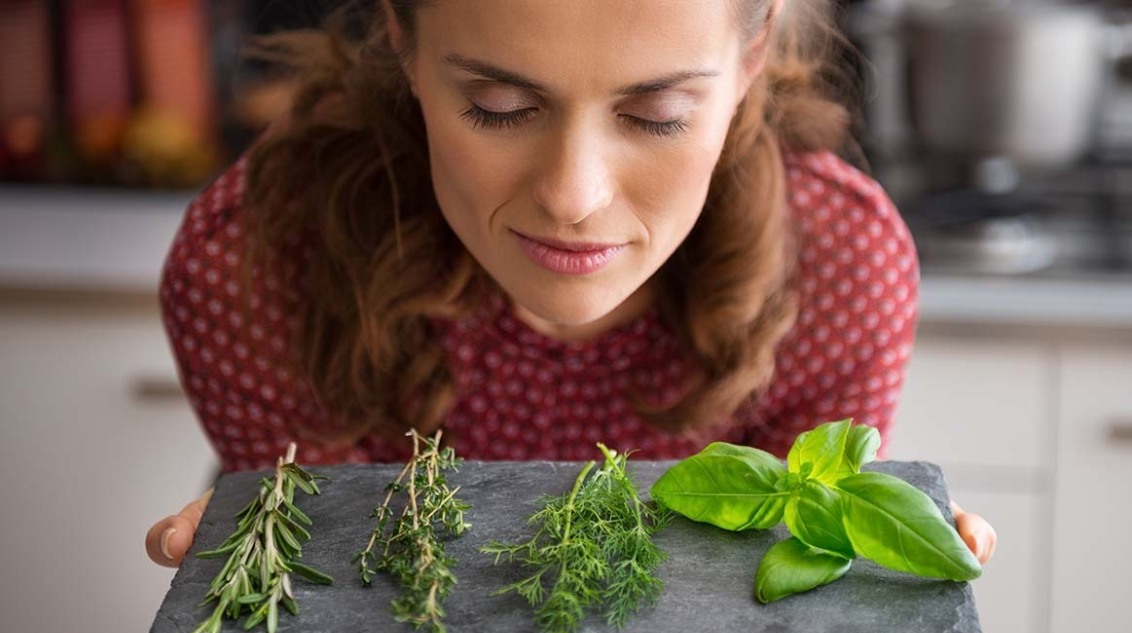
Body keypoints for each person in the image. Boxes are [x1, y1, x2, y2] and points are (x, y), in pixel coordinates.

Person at [146, 0, 996, 569]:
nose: (572, 196)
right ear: (402, 38)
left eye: (656, 115)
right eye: (500, 105)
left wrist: (875, 582)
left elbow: (768, 595)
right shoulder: (254, 260)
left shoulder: (839, 269)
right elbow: (344, 611)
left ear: (752, 53)